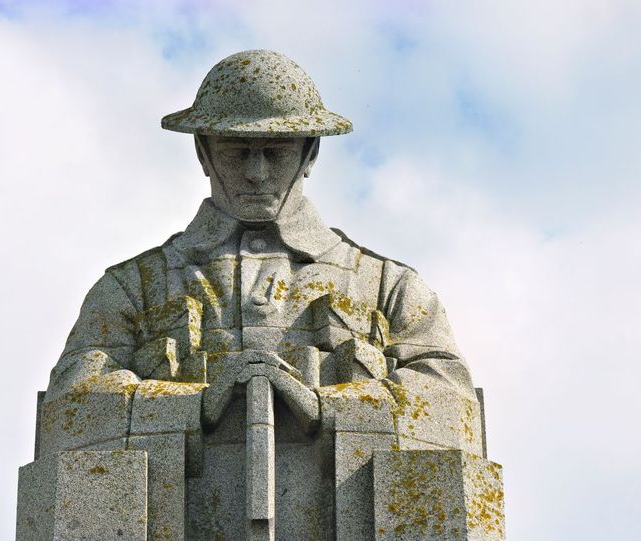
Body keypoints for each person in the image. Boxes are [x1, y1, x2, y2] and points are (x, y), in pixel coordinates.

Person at [45, 49, 475, 429]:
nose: (256, 172)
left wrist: (326, 408)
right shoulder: (132, 288)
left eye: (276, 150)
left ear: (310, 153)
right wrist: (195, 405)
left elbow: (451, 401)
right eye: (236, 150)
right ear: (203, 151)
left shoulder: (388, 287)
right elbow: (72, 403)